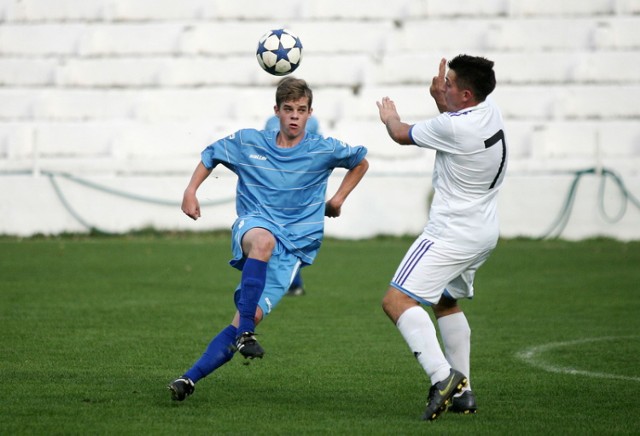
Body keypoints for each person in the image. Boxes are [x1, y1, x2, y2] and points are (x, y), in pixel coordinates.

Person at [168, 77, 369, 401]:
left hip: (294, 246)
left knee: (245, 318)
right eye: (288, 109)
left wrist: (338, 200)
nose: (294, 116)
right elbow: (210, 155)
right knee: (263, 242)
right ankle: (248, 333)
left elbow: (360, 161)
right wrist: (191, 190)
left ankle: (188, 379)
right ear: (276, 110)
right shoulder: (250, 142)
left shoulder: (322, 149)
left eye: (300, 110)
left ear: (310, 113)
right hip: (256, 224)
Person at [376, 54, 508, 421]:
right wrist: (441, 100)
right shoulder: (489, 111)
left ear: (466, 94)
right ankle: (465, 392)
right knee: (445, 301)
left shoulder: (454, 127)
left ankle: (444, 378)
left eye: (448, 83)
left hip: (450, 231)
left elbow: (402, 134)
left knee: (396, 301)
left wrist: (389, 117)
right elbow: (451, 121)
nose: (442, 85)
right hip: (482, 231)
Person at [263, 112, 322, 296]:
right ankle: (291, 283)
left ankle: (291, 283)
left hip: (301, 192)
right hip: (277, 191)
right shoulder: (271, 123)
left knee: (290, 240)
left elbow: (318, 153)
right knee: (279, 240)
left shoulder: (311, 123)